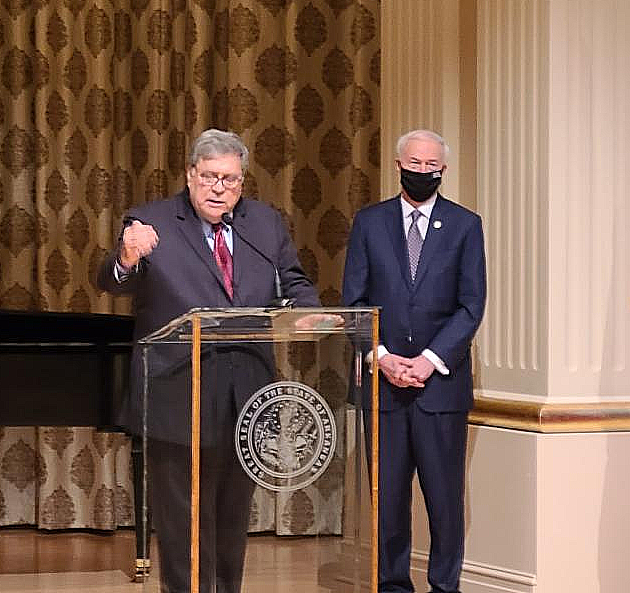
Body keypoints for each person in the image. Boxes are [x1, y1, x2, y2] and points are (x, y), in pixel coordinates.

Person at [96, 128, 319, 593]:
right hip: (177, 389)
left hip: (248, 393)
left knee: (233, 515)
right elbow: (113, 282)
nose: (219, 188)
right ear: (190, 174)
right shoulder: (150, 220)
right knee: (181, 520)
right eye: (210, 177)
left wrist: (309, 312)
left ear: (243, 181)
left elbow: (293, 281)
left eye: (230, 179)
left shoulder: (264, 224)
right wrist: (127, 255)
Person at [341, 129, 485, 593]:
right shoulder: (370, 222)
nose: (423, 172)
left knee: (444, 502)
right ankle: (393, 585)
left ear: (444, 171)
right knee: (387, 501)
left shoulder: (465, 225)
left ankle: (445, 586)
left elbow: (471, 305)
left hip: (439, 388)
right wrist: (381, 357)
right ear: (398, 166)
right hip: (382, 389)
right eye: (415, 164)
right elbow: (354, 303)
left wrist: (429, 359)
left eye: (432, 166)